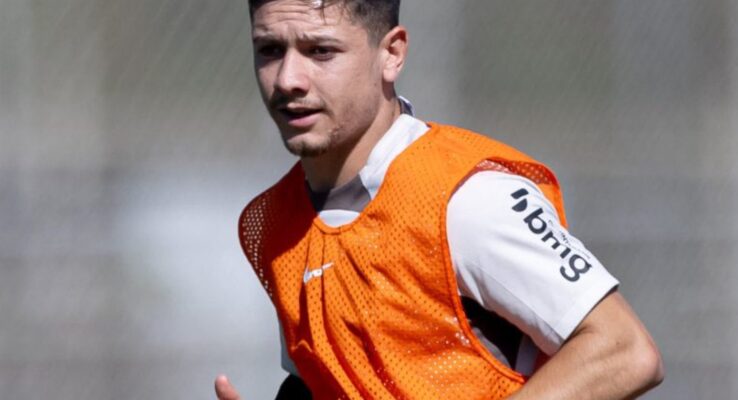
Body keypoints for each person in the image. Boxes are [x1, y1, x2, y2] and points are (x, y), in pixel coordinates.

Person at [216, 0, 664, 398]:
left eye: (321, 51)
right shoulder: (278, 223)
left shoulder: (464, 198)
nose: (288, 79)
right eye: (270, 49)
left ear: (391, 54)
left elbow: (622, 350)